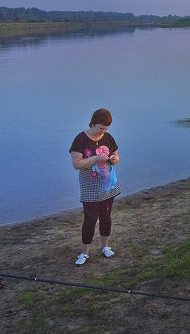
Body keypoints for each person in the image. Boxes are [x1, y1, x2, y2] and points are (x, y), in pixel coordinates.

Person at [69, 108, 121, 265]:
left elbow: (117, 157)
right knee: (90, 219)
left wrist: (113, 158)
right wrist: (96, 157)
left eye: (106, 129)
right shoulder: (80, 139)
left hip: (108, 186)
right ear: (92, 123)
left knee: (106, 217)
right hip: (90, 187)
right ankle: (84, 253)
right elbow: (77, 164)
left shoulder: (108, 137)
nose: (103, 131)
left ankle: (105, 247)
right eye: (101, 128)